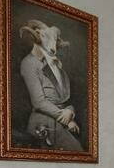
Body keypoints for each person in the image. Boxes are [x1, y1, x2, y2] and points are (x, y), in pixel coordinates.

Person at [18, 20, 83, 151]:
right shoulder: (28, 63)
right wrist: (65, 118)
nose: (52, 47)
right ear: (37, 36)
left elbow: (63, 99)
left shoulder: (52, 65)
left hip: (58, 120)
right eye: (45, 36)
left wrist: (70, 112)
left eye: (53, 39)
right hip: (43, 122)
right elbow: (39, 102)